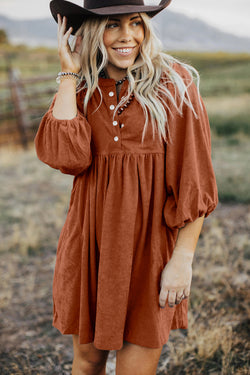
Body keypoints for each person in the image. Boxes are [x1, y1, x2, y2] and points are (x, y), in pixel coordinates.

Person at [34, 0, 219, 374]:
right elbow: (69, 158)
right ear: (88, 33)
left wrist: (182, 260)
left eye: (136, 23)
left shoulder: (176, 85)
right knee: (87, 363)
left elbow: (194, 183)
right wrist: (68, 74)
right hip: (90, 245)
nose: (126, 36)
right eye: (111, 24)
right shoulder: (83, 89)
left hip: (149, 252)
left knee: (136, 368)